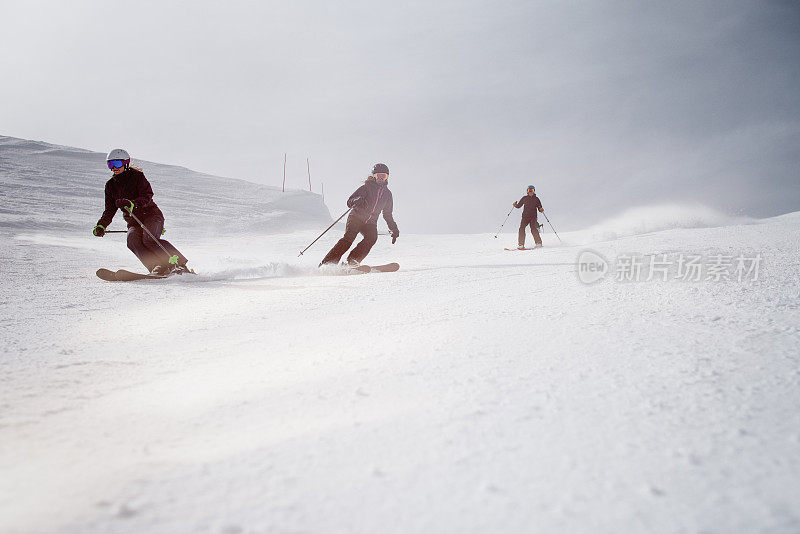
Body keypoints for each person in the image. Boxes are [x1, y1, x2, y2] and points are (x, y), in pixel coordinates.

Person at [92, 148, 189, 275]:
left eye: (117, 164)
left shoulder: (137, 177)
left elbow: (147, 195)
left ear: (126, 163)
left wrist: (133, 204)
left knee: (149, 239)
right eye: (110, 164)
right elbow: (109, 210)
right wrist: (101, 225)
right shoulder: (110, 185)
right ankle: (157, 266)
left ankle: (178, 264)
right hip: (134, 221)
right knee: (132, 240)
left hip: (152, 216)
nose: (114, 168)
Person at [320, 163, 399, 266]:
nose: (380, 178)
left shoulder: (387, 194)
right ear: (374, 176)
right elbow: (349, 201)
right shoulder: (366, 188)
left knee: (372, 238)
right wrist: (356, 200)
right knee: (348, 239)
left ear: (387, 177)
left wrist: (394, 228)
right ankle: (328, 263)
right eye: (378, 176)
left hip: (370, 223)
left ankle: (353, 261)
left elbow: (387, 214)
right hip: (356, 217)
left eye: (383, 176)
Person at [513, 185, 544, 249]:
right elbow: (519, 206)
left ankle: (538, 243)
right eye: (529, 190)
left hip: (533, 217)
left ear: (534, 191)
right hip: (525, 217)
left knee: (533, 229)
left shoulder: (536, 199)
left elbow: (539, 207)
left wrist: (541, 209)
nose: (530, 192)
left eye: (532, 190)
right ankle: (521, 244)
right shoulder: (524, 198)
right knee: (521, 228)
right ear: (527, 191)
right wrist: (515, 205)